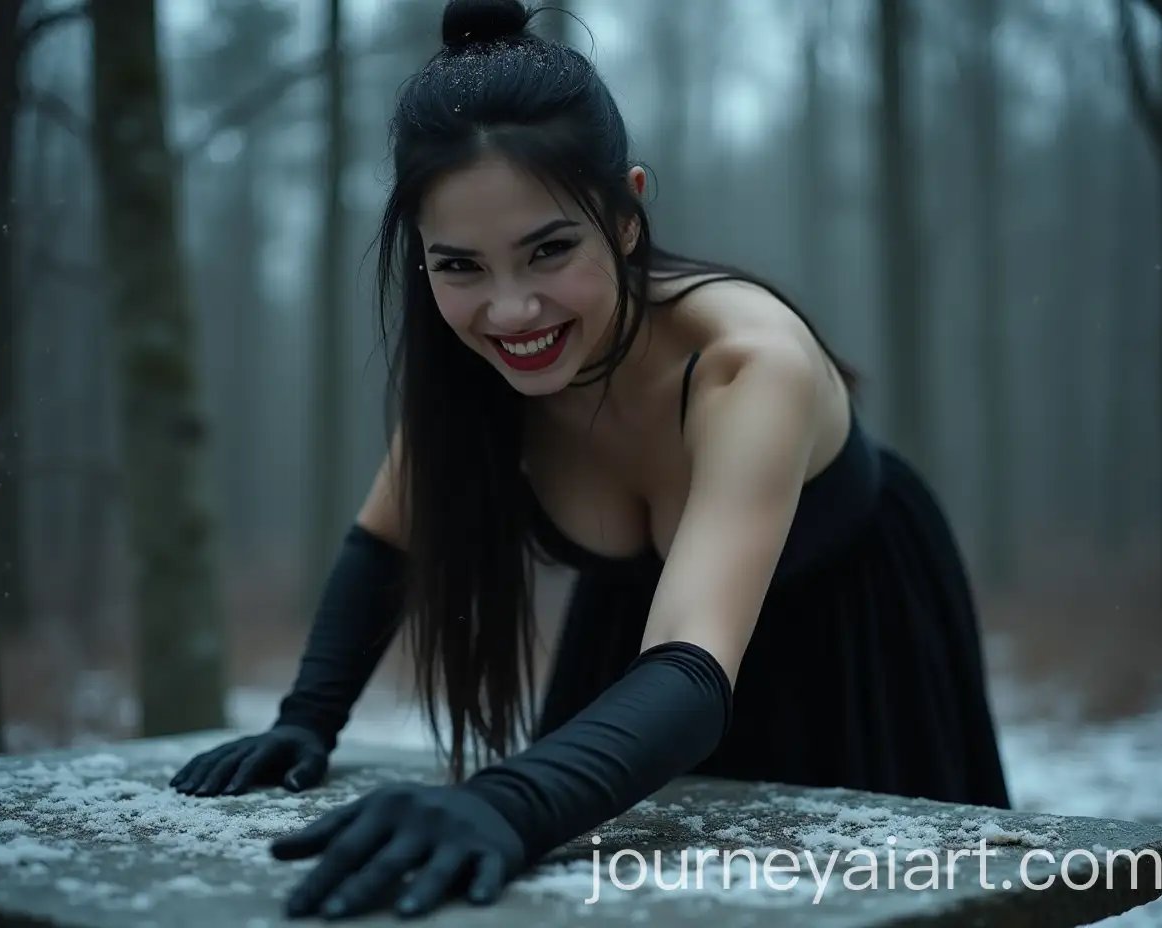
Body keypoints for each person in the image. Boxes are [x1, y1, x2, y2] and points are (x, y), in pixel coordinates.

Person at [170, 0, 1011, 918]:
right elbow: (386, 543)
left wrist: (505, 802)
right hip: (638, 674)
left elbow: (695, 664)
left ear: (626, 214)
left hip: (848, 652)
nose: (511, 311)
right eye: (460, 267)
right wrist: (307, 720)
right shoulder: (476, 372)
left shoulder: (746, 364)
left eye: (550, 250)